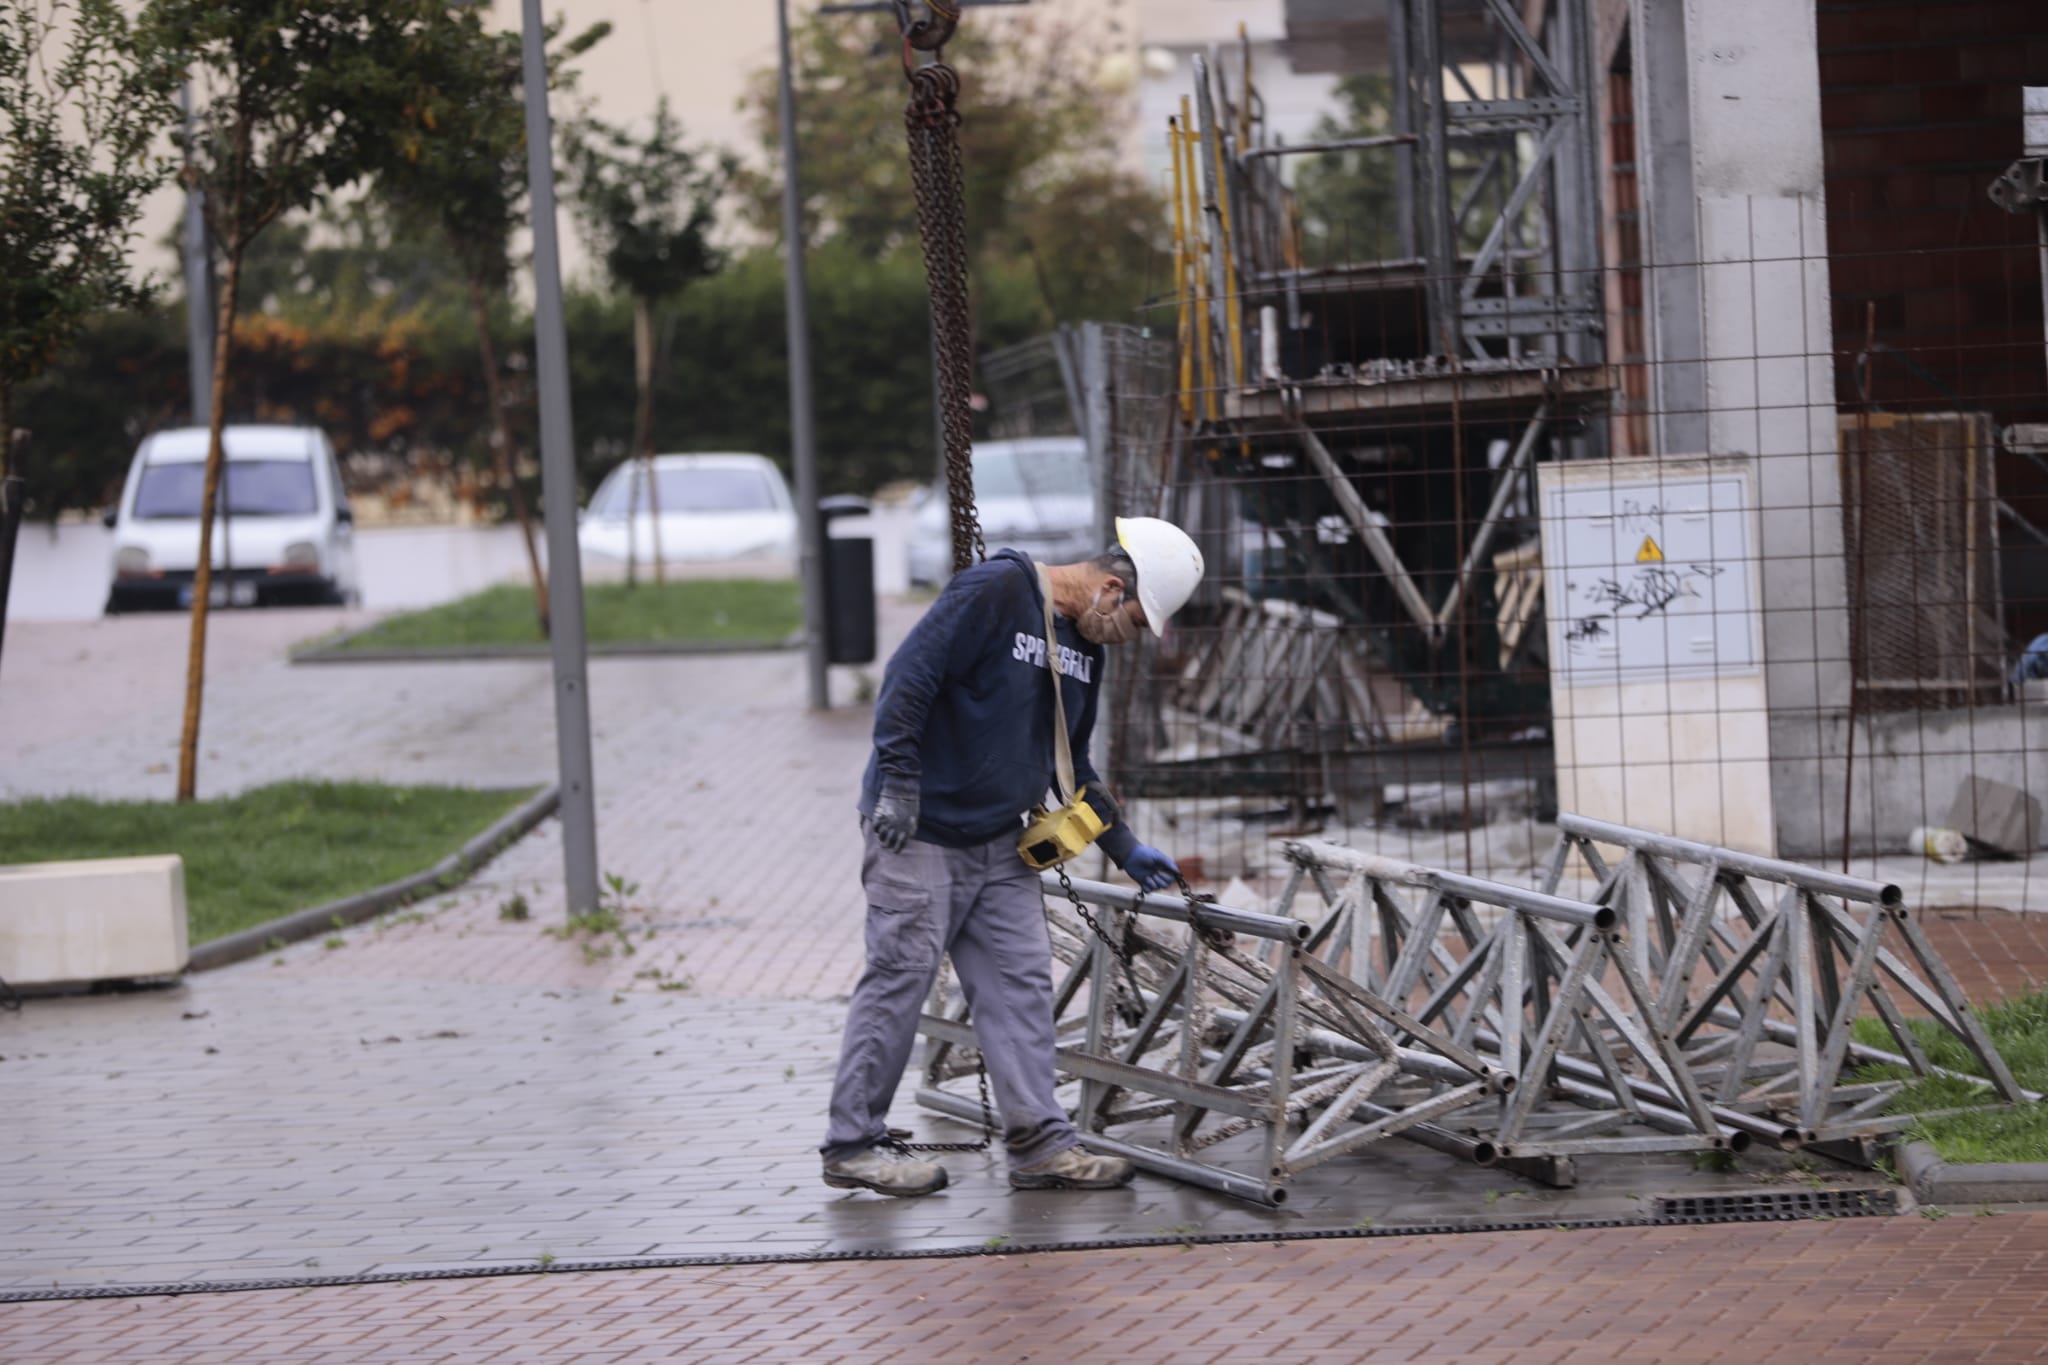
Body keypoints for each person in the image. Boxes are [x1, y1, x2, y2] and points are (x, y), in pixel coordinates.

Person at [820, 516, 1206, 1197]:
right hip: (920, 831)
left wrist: (1123, 844)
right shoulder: (997, 590)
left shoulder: (1086, 648)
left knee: (1021, 983)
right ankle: (853, 1142)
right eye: (1137, 621)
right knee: (900, 977)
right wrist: (901, 783)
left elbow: (1072, 761)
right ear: (1110, 588)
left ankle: (1040, 1143)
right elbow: (909, 679)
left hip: (1000, 841)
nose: (1133, 636)